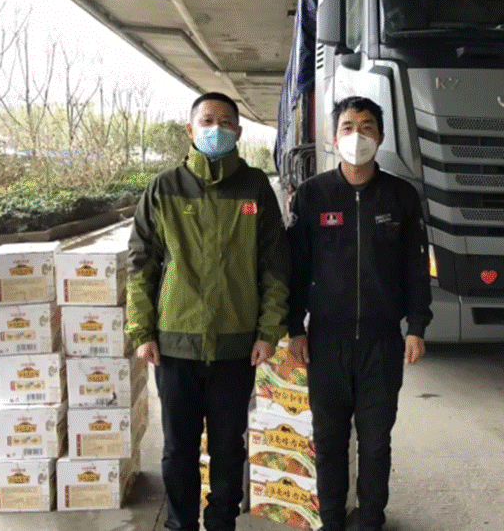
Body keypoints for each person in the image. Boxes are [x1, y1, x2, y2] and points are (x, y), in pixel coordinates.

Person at [126, 92, 290, 531]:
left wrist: (268, 332)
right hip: (175, 344)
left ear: (238, 130)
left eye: (225, 122)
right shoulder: (164, 188)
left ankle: (221, 523)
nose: (216, 129)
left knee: (228, 447)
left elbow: (275, 266)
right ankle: (180, 523)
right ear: (190, 129)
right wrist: (142, 331)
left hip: (237, 345)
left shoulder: (255, 187)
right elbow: (141, 265)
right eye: (207, 121)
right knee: (178, 448)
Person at [287, 96, 433, 531]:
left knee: (375, 442)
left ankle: (371, 521)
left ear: (380, 137)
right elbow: (297, 268)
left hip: (381, 342)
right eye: (348, 127)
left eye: (367, 127)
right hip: (325, 341)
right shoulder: (313, 195)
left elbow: (415, 266)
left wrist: (417, 326)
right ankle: (331, 521)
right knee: (328, 442)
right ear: (335, 138)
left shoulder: (401, 196)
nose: (357, 136)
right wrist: (294, 328)